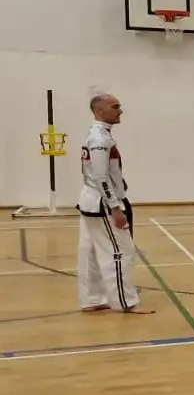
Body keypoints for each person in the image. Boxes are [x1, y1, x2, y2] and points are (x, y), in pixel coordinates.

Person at [76, 93, 151, 314]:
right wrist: (115, 207)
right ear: (99, 110)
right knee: (122, 251)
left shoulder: (98, 135)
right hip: (103, 203)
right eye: (115, 106)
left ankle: (92, 298)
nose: (120, 110)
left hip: (90, 200)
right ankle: (126, 302)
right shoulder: (99, 139)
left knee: (90, 250)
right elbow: (100, 177)